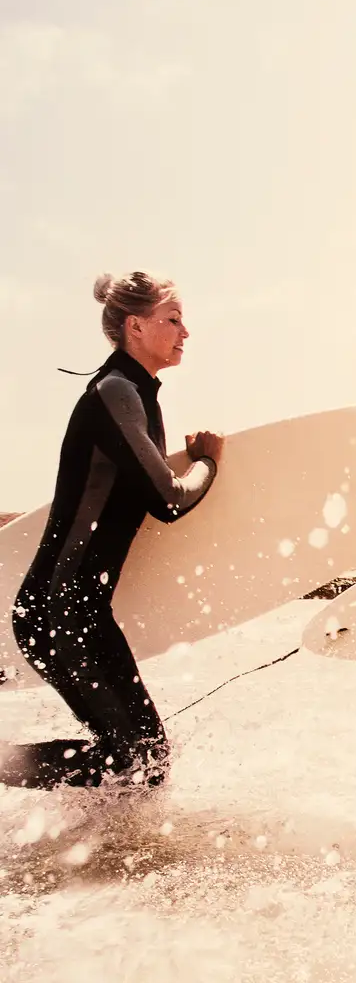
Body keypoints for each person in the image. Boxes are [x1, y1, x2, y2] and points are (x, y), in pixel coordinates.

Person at [11, 272, 224, 790]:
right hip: (56, 612)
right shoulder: (116, 392)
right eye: (172, 320)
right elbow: (169, 499)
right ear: (135, 326)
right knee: (135, 761)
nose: (185, 332)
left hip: (77, 612)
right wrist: (208, 464)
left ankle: (89, 855)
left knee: (143, 760)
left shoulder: (137, 395)